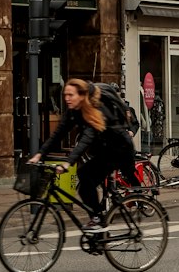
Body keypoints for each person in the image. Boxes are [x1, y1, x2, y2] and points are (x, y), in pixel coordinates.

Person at [32, 78, 135, 233]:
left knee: (85, 178)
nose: (67, 98)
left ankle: (98, 219)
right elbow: (58, 134)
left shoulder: (95, 110)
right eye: (65, 94)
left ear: (81, 95)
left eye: (70, 95)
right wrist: (40, 154)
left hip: (119, 150)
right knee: (85, 177)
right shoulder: (74, 112)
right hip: (104, 150)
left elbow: (87, 138)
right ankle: (98, 220)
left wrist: (68, 162)